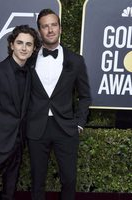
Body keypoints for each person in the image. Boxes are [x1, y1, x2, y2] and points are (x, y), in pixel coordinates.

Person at [26, 9, 91, 200]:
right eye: (45, 26)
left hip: (65, 128)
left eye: (53, 25)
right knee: (37, 181)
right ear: (39, 31)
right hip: (37, 128)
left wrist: (79, 123)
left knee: (69, 180)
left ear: (60, 28)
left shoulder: (76, 61)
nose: (50, 29)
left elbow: (85, 96)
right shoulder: (28, 59)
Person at [0, 25, 40, 200]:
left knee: (9, 192)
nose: (23, 48)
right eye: (19, 43)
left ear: (34, 48)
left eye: (28, 44)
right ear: (12, 45)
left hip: (18, 144)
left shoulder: (30, 73)